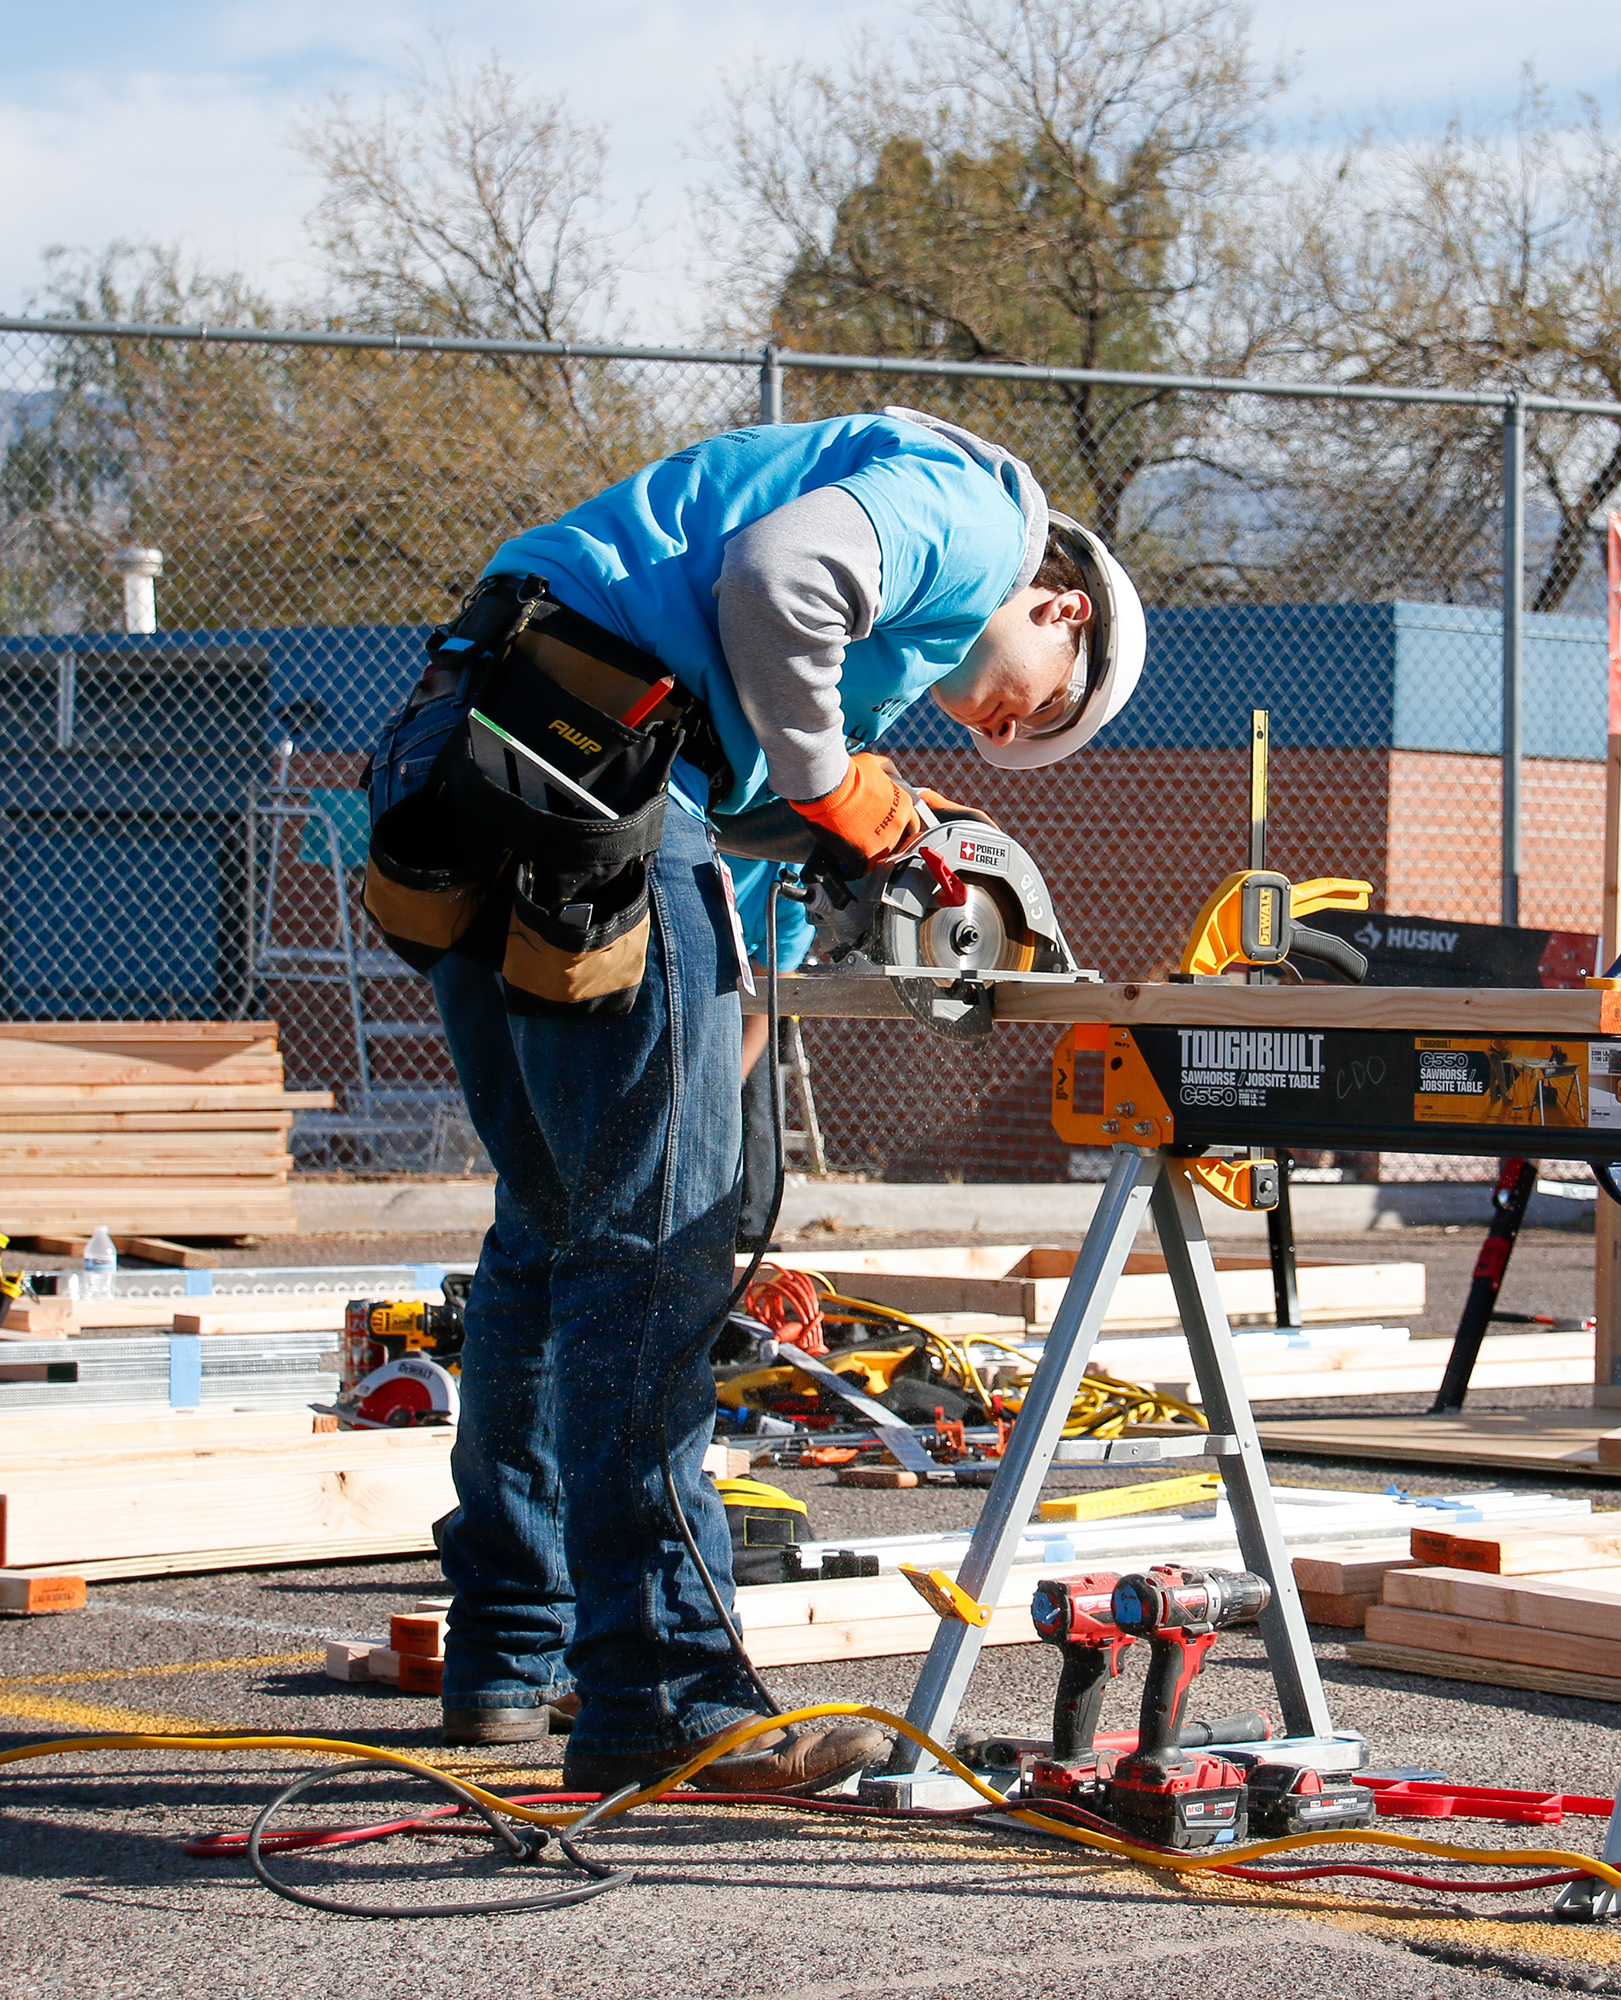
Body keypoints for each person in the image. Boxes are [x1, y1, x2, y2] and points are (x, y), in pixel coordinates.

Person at [370, 407, 1145, 1801]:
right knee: (648, 1268)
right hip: (606, 772)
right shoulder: (979, 514)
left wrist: (729, 1024)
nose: (995, 721)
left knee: (548, 1243)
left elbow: (750, 853)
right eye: (1028, 700)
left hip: (481, 756)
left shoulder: (857, 639)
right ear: (1061, 604)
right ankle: (668, 1695)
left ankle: (513, 1651)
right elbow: (781, 581)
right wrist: (835, 780)